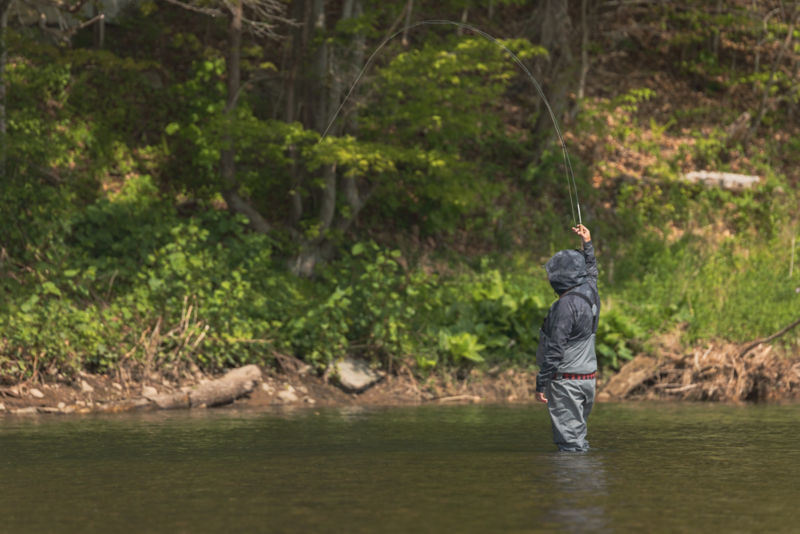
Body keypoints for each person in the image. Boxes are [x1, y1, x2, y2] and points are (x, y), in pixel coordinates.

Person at [535, 224, 600, 452]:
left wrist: (541, 383)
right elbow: (592, 271)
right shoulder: (590, 291)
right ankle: (584, 482)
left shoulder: (564, 306)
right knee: (578, 440)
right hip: (588, 381)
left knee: (570, 447)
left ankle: (574, 485)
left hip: (567, 384)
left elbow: (555, 349)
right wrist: (587, 244)